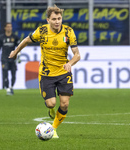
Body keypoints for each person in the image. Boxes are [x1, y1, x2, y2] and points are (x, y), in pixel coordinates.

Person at [9, 5, 81, 138]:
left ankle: (52, 129)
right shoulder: (41, 31)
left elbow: (77, 54)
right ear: (48, 20)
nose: (57, 21)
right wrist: (16, 51)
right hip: (46, 73)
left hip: (63, 73)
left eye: (59, 18)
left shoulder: (68, 32)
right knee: (51, 103)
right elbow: (26, 40)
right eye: (54, 19)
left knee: (64, 104)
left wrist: (69, 63)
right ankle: (51, 109)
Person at [0, 23, 21, 95]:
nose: (9, 28)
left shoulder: (15, 37)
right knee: (5, 73)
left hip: (12, 58)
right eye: (8, 27)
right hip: (4, 58)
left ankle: (11, 87)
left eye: (10, 27)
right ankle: (8, 88)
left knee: (13, 74)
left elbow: (18, 47)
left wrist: (19, 56)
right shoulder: (1, 37)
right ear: (5, 28)